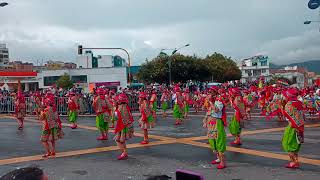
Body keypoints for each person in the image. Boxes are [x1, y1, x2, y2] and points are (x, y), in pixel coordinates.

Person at [203, 87, 227, 169]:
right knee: (212, 140)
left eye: (211, 92)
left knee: (219, 140)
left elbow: (216, 110)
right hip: (211, 121)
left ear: (215, 92)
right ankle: (218, 158)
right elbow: (207, 110)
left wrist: (210, 102)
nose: (209, 93)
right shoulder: (212, 100)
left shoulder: (219, 100)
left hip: (217, 122)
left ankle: (223, 162)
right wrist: (205, 121)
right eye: (209, 92)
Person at [282, 88, 304, 168]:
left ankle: (293, 162)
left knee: (288, 144)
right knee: (295, 145)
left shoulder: (289, 104)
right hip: (300, 127)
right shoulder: (299, 102)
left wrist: (281, 107)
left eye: (285, 95)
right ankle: (296, 161)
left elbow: (287, 115)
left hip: (292, 127)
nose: (284, 97)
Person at [114, 93, 134, 160]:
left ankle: (124, 153)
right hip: (125, 126)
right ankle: (124, 152)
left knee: (118, 140)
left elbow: (116, 118)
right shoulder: (125, 106)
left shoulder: (120, 108)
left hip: (122, 126)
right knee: (122, 141)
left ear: (120, 100)